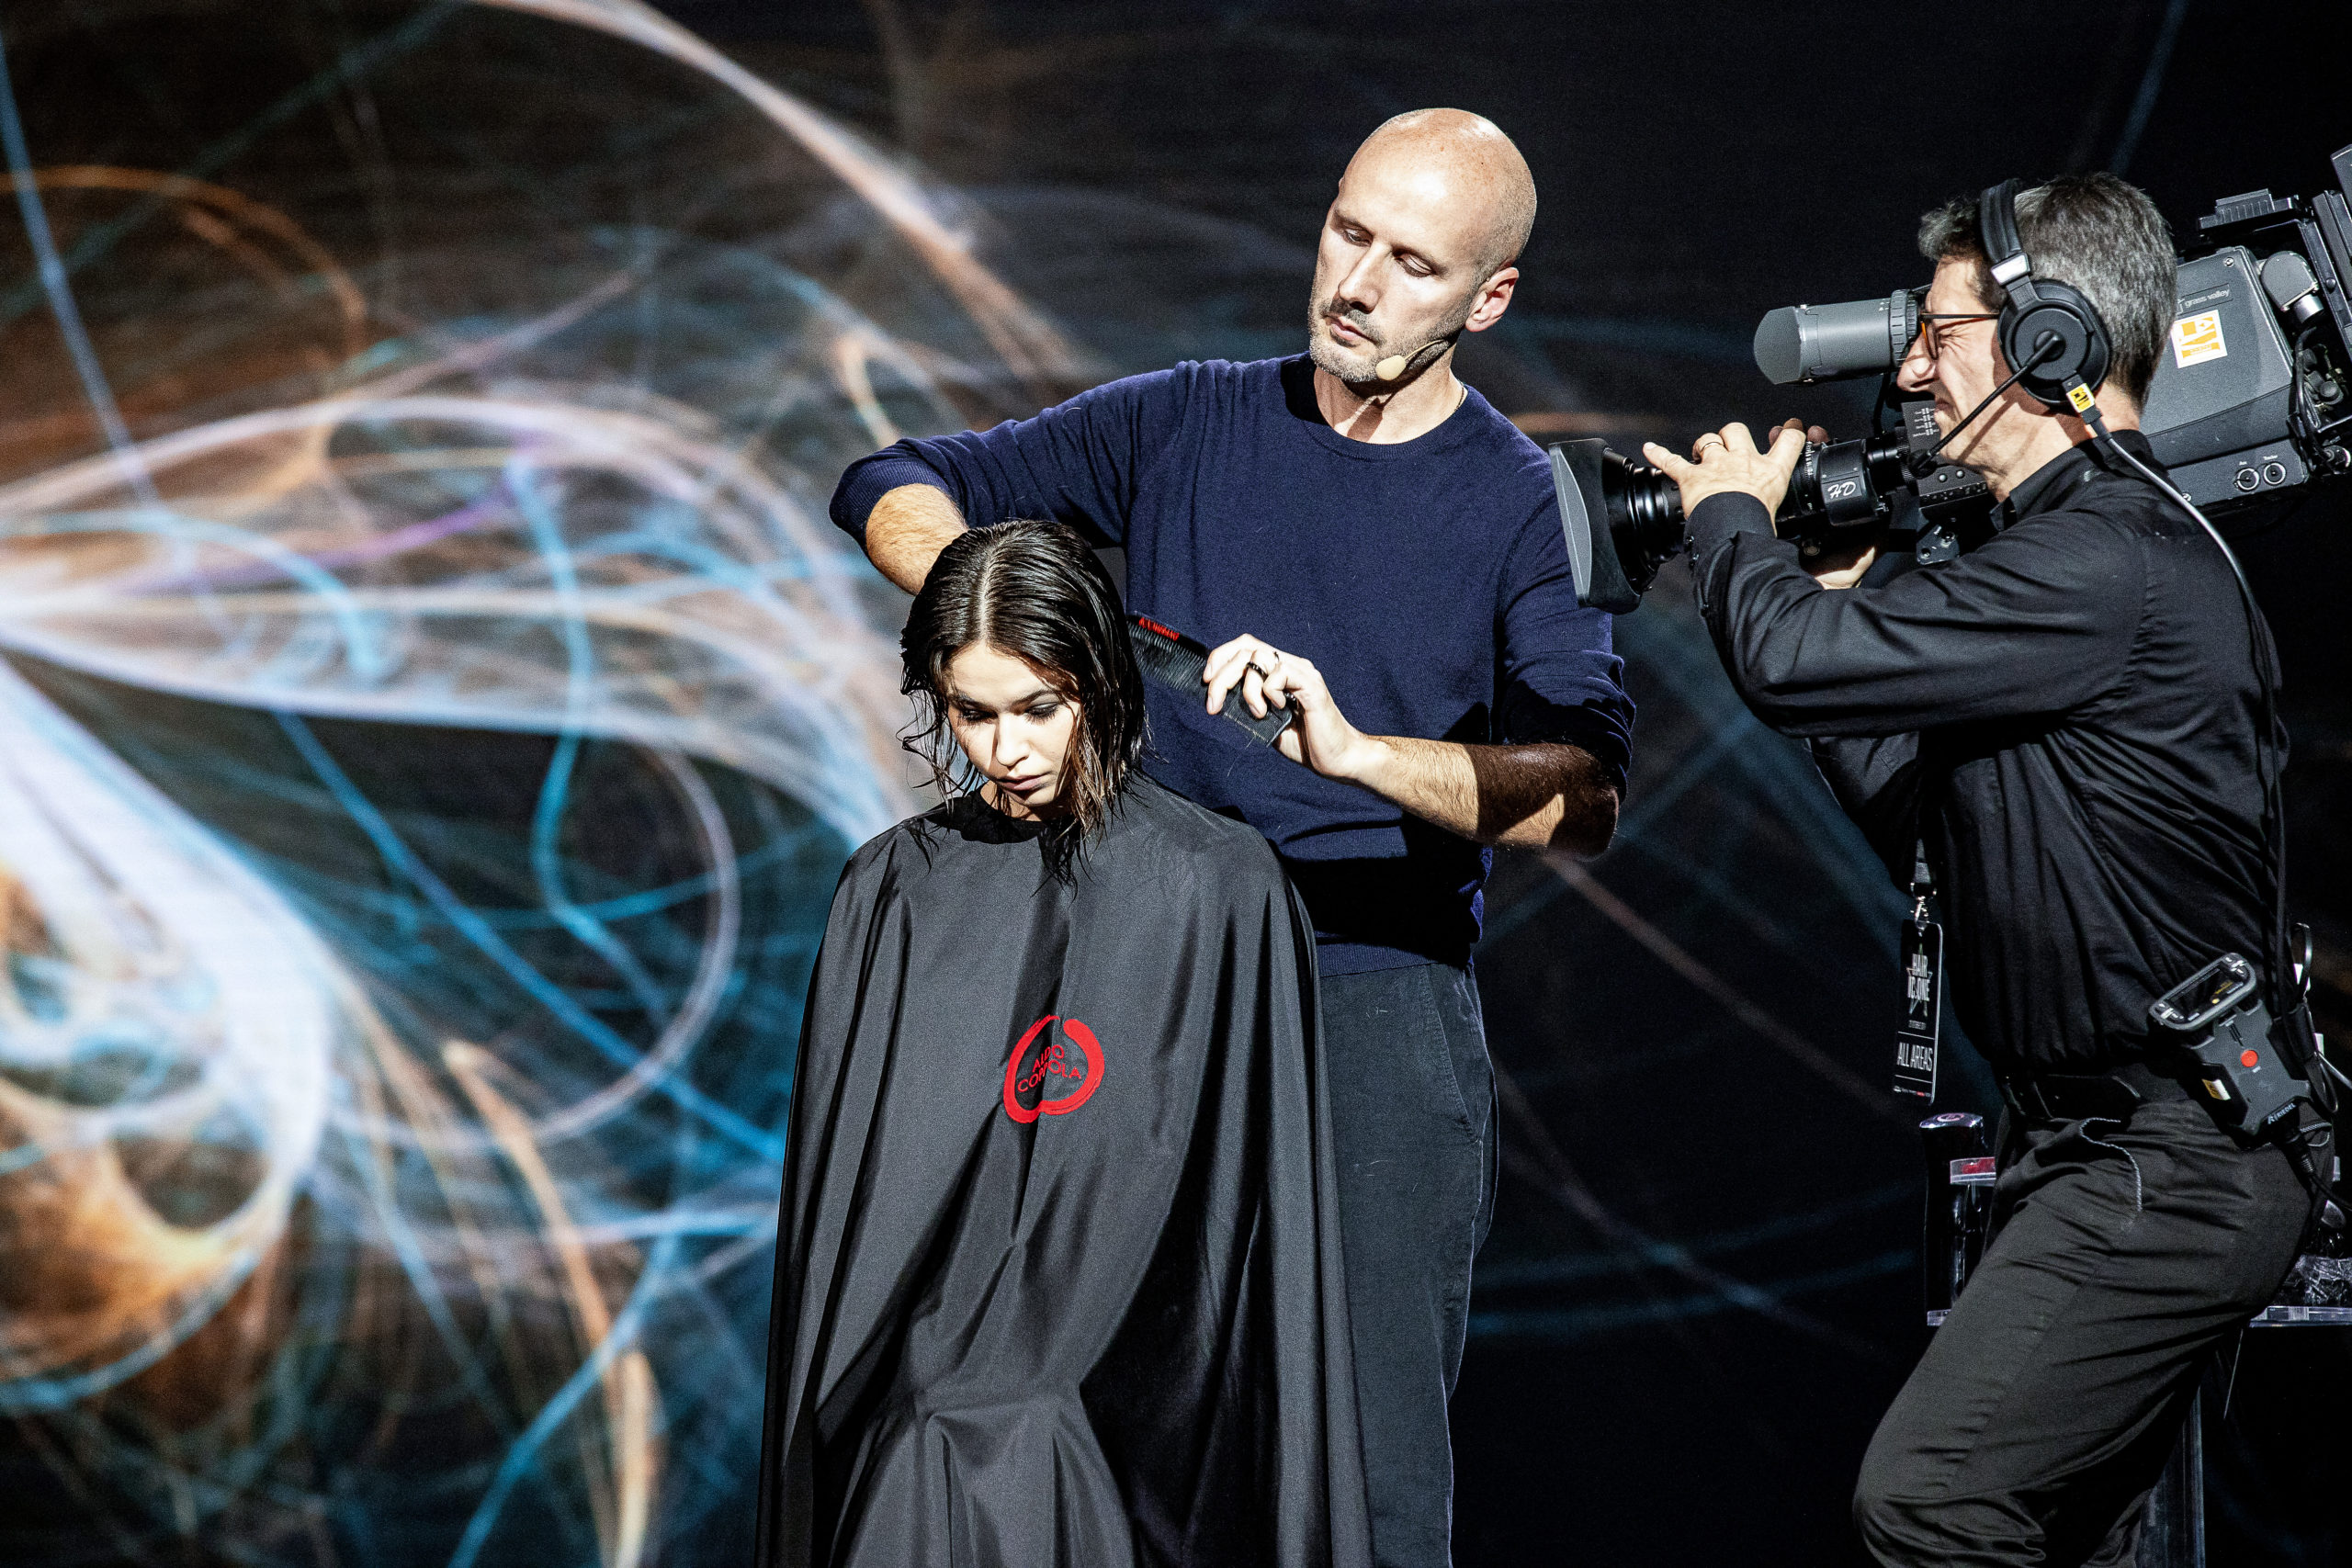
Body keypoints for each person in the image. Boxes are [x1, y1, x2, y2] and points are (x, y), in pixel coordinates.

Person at [827, 107, 1633, 1567]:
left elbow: (1583, 795)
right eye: (1347, 232)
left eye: (1412, 263)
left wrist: (1360, 752)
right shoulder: (1187, 417)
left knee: (1367, 1480)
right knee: (1086, 1426)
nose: (1357, 283)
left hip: (1364, 1001)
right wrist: (997, 606)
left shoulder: (1523, 505)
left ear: (1487, 298)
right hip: (1137, 988)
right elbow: (889, 477)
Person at [1640, 174, 2312, 1566]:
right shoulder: (2062, 567)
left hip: (2169, 1156)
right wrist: (1835, 598)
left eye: (1939, 335)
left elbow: (1786, 662)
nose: (1909, 372)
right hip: (2094, 1148)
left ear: (2052, 341)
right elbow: (1931, 827)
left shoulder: (2103, 559)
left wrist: (1731, 521)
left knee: (1932, 1500)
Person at [752, 520, 1370, 1568]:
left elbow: (1243, 1212)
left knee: (1022, 1430)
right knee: (938, 1437)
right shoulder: (893, 892)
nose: (1007, 752)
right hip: (924, 1398)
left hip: (1144, 1383)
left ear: (1101, 680)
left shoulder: (1220, 884)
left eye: (1039, 708)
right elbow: (851, 1236)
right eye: (973, 714)